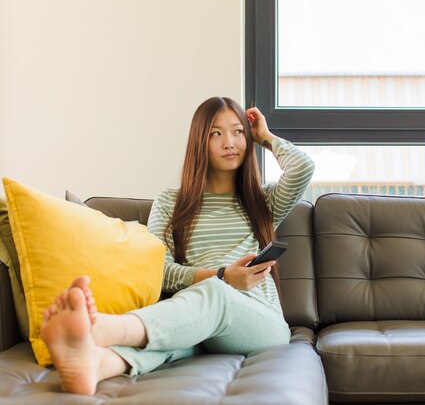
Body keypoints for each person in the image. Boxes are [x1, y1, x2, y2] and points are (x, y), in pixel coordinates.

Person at [40, 97, 315, 395]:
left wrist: (265, 137)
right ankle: (96, 364)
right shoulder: (171, 202)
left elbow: (303, 167)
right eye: (216, 133)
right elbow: (159, 270)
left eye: (238, 132)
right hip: (198, 317)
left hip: (261, 323)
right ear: (200, 141)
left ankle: (101, 329)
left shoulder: (263, 200)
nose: (229, 142)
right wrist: (221, 275)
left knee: (216, 294)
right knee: (177, 333)